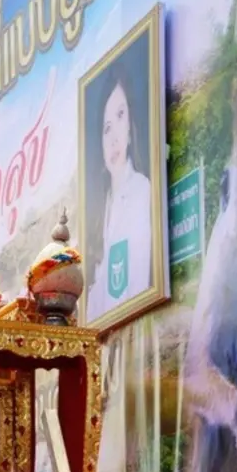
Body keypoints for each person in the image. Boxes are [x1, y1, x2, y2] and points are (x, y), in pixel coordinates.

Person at [86, 64, 152, 322]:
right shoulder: (100, 212)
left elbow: (135, 285)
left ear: (131, 127)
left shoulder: (140, 192)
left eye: (121, 115)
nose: (113, 138)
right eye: (106, 127)